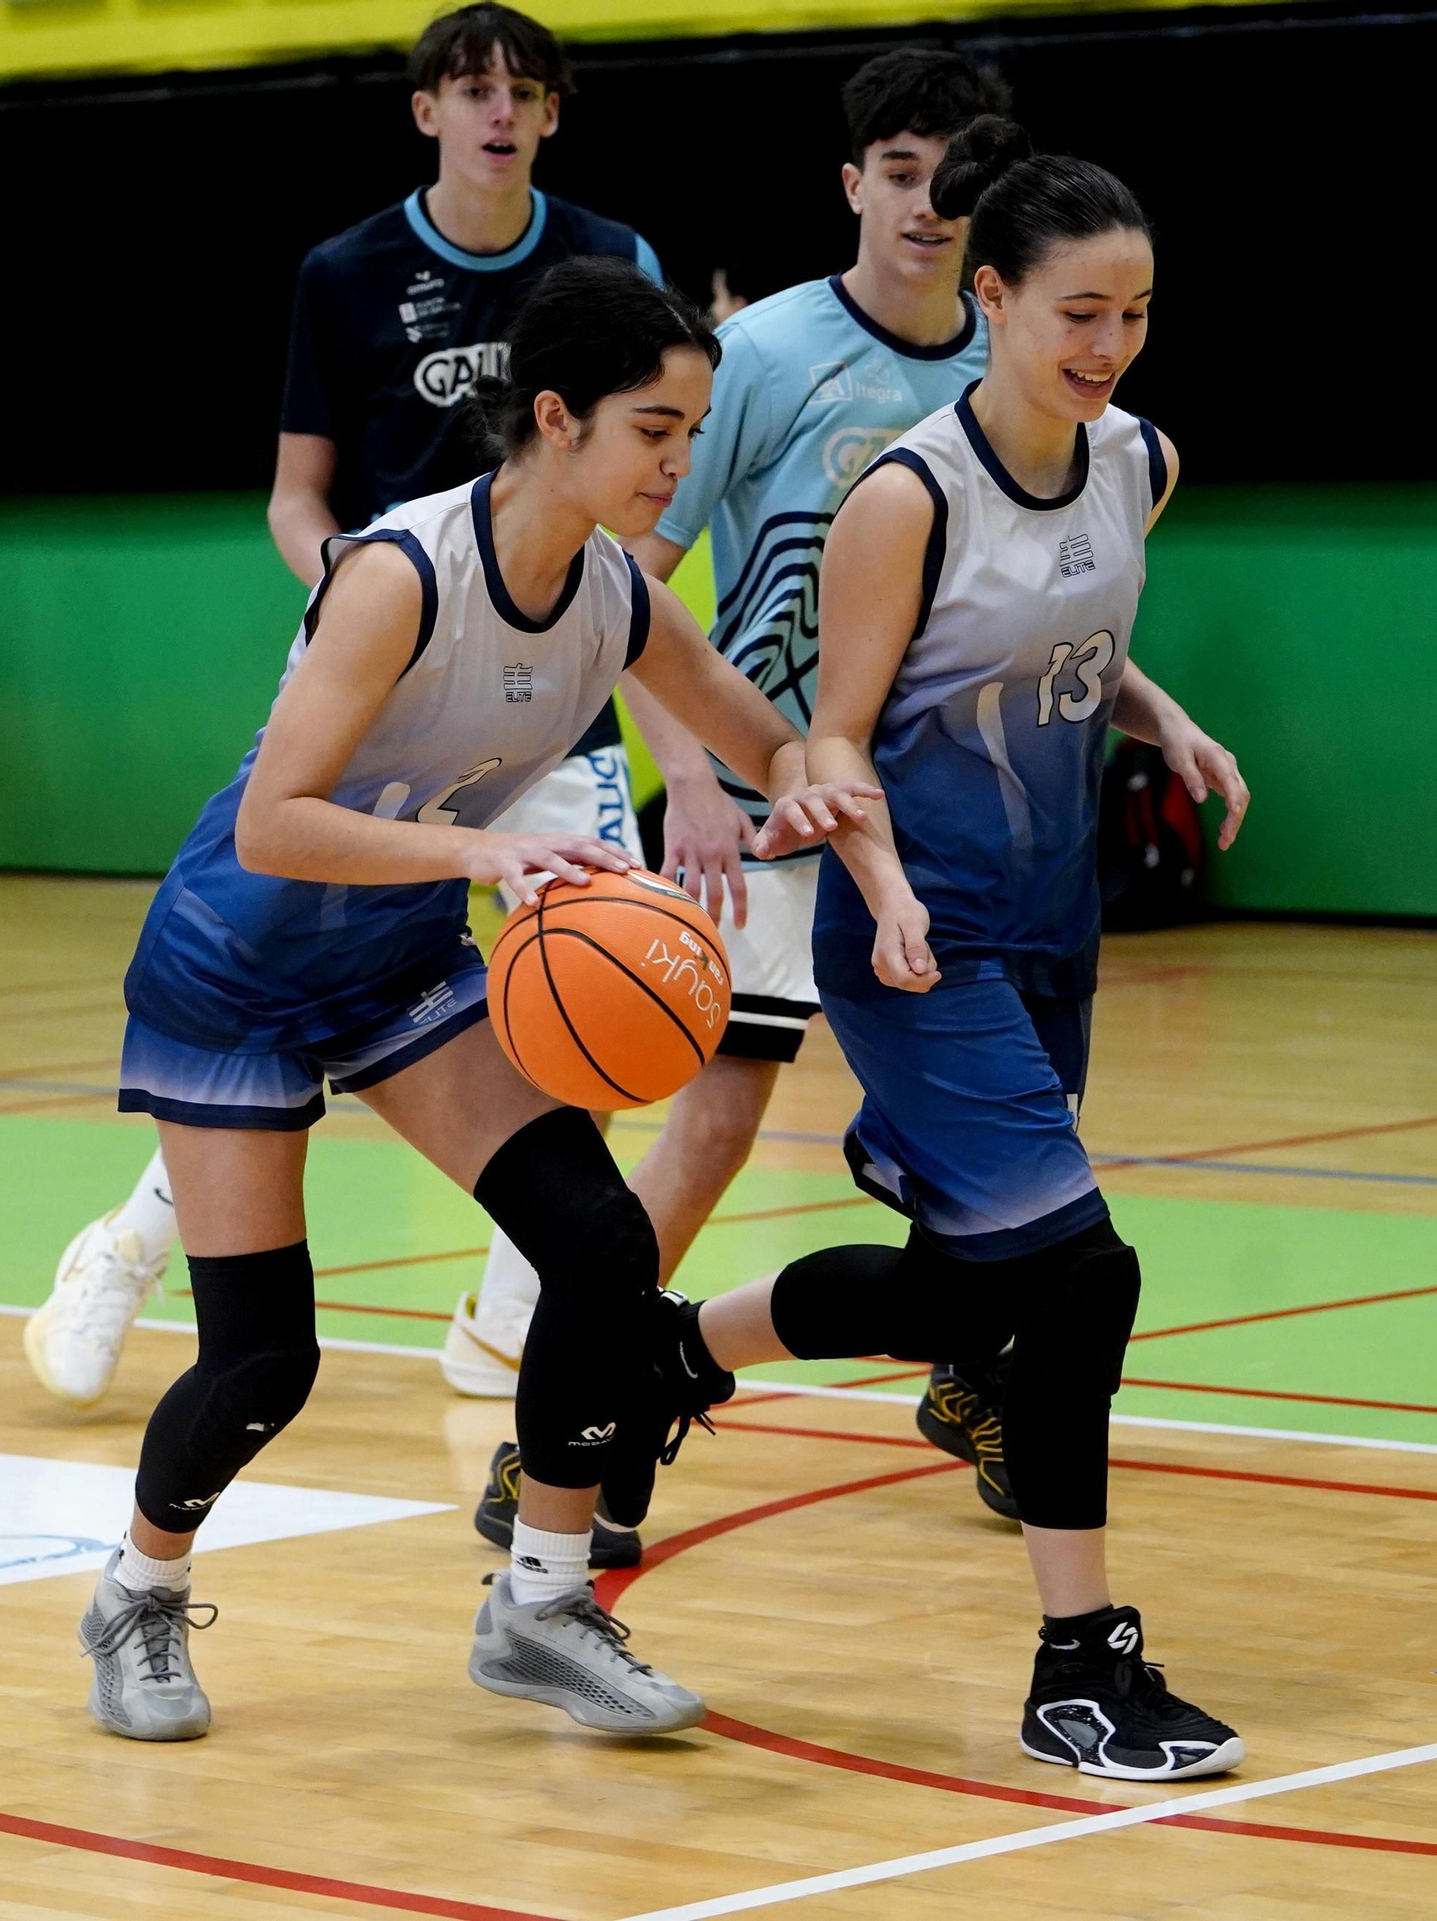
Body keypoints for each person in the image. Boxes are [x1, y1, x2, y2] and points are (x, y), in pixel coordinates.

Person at [73, 259, 875, 1745]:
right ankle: (135, 1588)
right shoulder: (400, 573)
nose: (678, 465)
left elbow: (771, 742)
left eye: (692, 433)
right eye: (655, 430)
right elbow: (273, 821)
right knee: (266, 1359)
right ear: (556, 419)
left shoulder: (620, 592)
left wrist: (852, 798)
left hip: (391, 962)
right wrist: (485, 848)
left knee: (604, 1243)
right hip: (232, 971)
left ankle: (544, 1601)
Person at [616, 118, 1253, 1781]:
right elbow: (833, 740)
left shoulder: (1136, 458)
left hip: (1053, 925)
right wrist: (885, 895)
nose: (1109, 346)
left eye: (1134, 312)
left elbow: (1071, 642)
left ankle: (666, 1351)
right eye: (1077, 314)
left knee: (979, 1290)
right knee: (1085, 1275)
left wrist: (1167, 719)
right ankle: (1079, 1664)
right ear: (992, 300)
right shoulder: (907, 492)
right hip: (918, 931)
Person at [24, 2, 659, 1420]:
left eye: (524, 89)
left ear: (555, 112)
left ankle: (504, 1329)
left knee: (593, 977)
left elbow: (652, 511)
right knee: (287, 968)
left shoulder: (612, 261)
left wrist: (683, 717)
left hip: (550, 686)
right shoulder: (348, 270)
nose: (499, 110)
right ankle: (134, 1241)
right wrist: (369, 601)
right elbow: (296, 495)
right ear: (425, 110)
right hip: (392, 666)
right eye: (470, 87)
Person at [471, 46, 1027, 1547]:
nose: (927, 204)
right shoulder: (769, 356)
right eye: (900, 172)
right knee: (715, 1125)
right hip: (770, 796)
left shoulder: (1015, 355)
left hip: (943, 804)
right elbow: (625, 579)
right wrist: (697, 775)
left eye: (954, 175)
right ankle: (572, 1409)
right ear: (855, 185)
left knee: (1005, 1117)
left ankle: (980, 1372)